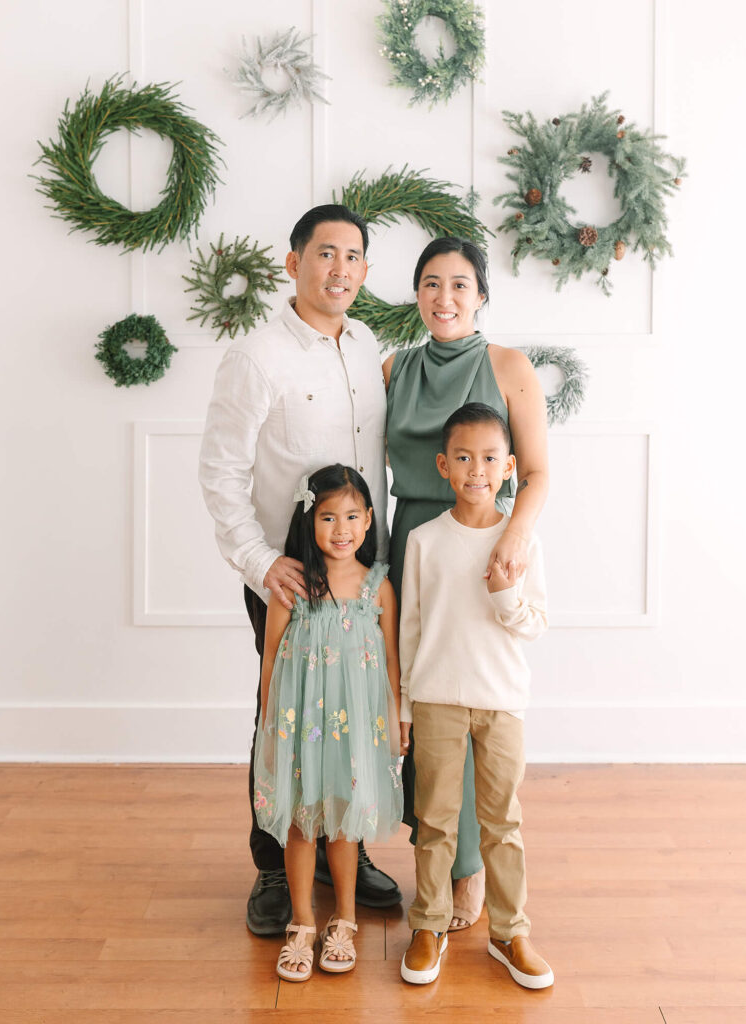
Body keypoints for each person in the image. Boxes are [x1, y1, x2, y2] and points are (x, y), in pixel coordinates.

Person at [199, 205, 402, 938]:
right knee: (284, 717)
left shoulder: (368, 345)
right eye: (324, 254)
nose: (339, 269)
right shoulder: (257, 356)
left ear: (365, 271)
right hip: (290, 578)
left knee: (354, 712)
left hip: (360, 576)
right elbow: (221, 471)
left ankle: (345, 850)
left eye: (352, 257)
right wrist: (261, 564)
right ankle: (271, 866)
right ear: (294, 263)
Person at [384, 236, 549, 930]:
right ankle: (431, 851)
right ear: (417, 294)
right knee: (422, 699)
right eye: (430, 283)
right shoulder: (393, 367)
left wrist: (514, 535)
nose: (444, 297)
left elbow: (535, 471)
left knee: (477, 696)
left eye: (459, 284)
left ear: (481, 294)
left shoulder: (509, 366)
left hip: (486, 539)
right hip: (414, 539)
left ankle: (471, 867)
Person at [398, 403, 553, 988]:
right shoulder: (423, 541)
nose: (476, 470)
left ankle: (510, 932)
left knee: (502, 822)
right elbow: (410, 629)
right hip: (436, 698)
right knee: (435, 820)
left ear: (509, 467)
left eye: (490, 458)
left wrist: (506, 593)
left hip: (502, 700)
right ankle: (429, 924)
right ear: (443, 465)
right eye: (463, 458)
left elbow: (535, 623)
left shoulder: (522, 542)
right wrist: (405, 705)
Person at [253, 465, 404, 981]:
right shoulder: (294, 585)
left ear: (369, 521)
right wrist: (270, 727)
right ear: (309, 520)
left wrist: (395, 722)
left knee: (343, 825)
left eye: (352, 516)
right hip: (301, 727)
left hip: (353, 731)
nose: (342, 529)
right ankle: (301, 922)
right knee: (301, 824)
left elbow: (391, 662)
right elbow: (271, 661)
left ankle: (344, 919)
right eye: (328, 517)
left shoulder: (377, 587)